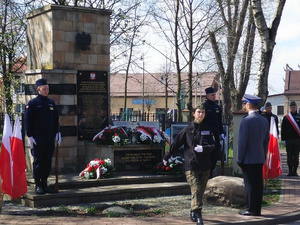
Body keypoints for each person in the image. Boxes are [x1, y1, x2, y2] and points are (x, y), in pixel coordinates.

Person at [163, 103, 215, 225]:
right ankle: (198, 214)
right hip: (191, 165)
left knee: (200, 191)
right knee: (196, 189)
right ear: (193, 114)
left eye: (203, 112)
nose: (201, 114)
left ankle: (193, 210)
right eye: (198, 112)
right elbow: (176, 144)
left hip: (205, 165)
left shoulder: (207, 130)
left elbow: (213, 146)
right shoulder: (187, 130)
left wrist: (204, 148)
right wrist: (167, 156)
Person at [25, 78, 61, 195]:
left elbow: (55, 119)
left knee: (47, 161)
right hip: (37, 138)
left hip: (49, 137)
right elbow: (28, 121)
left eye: (47, 89)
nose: (46, 91)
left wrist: (58, 132)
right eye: (44, 89)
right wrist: (29, 136)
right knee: (38, 161)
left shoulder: (51, 103)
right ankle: (38, 185)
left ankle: (45, 184)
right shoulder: (33, 103)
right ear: (38, 89)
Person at [236, 94, 269, 216]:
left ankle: (250, 208)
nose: (244, 105)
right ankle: (257, 209)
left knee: (249, 185)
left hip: (248, 159)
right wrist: (263, 155)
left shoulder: (246, 121)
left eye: (245, 103)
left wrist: (239, 159)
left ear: (249, 105)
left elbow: (242, 142)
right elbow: (266, 141)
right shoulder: (264, 120)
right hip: (259, 157)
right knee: (258, 184)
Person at [203, 87, 225, 178]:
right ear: (207, 96)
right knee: (206, 155)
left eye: (215, 94)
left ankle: (211, 173)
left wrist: (222, 132)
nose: (214, 96)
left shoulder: (218, 108)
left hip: (215, 135)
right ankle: (205, 175)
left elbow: (219, 121)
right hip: (206, 135)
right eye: (212, 95)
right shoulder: (204, 107)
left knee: (215, 154)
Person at [281, 101, 300, 176]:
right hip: (289, 140)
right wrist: (283, 139)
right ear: (290, 108)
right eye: (292, 107)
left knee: (296, 156)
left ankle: (294, 171)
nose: (293, 109)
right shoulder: (286, 118)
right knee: (289, 156)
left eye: (294, 107)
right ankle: (290, 171)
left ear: (296, 107)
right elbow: (283, 129)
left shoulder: (299, 116)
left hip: (297, 140)